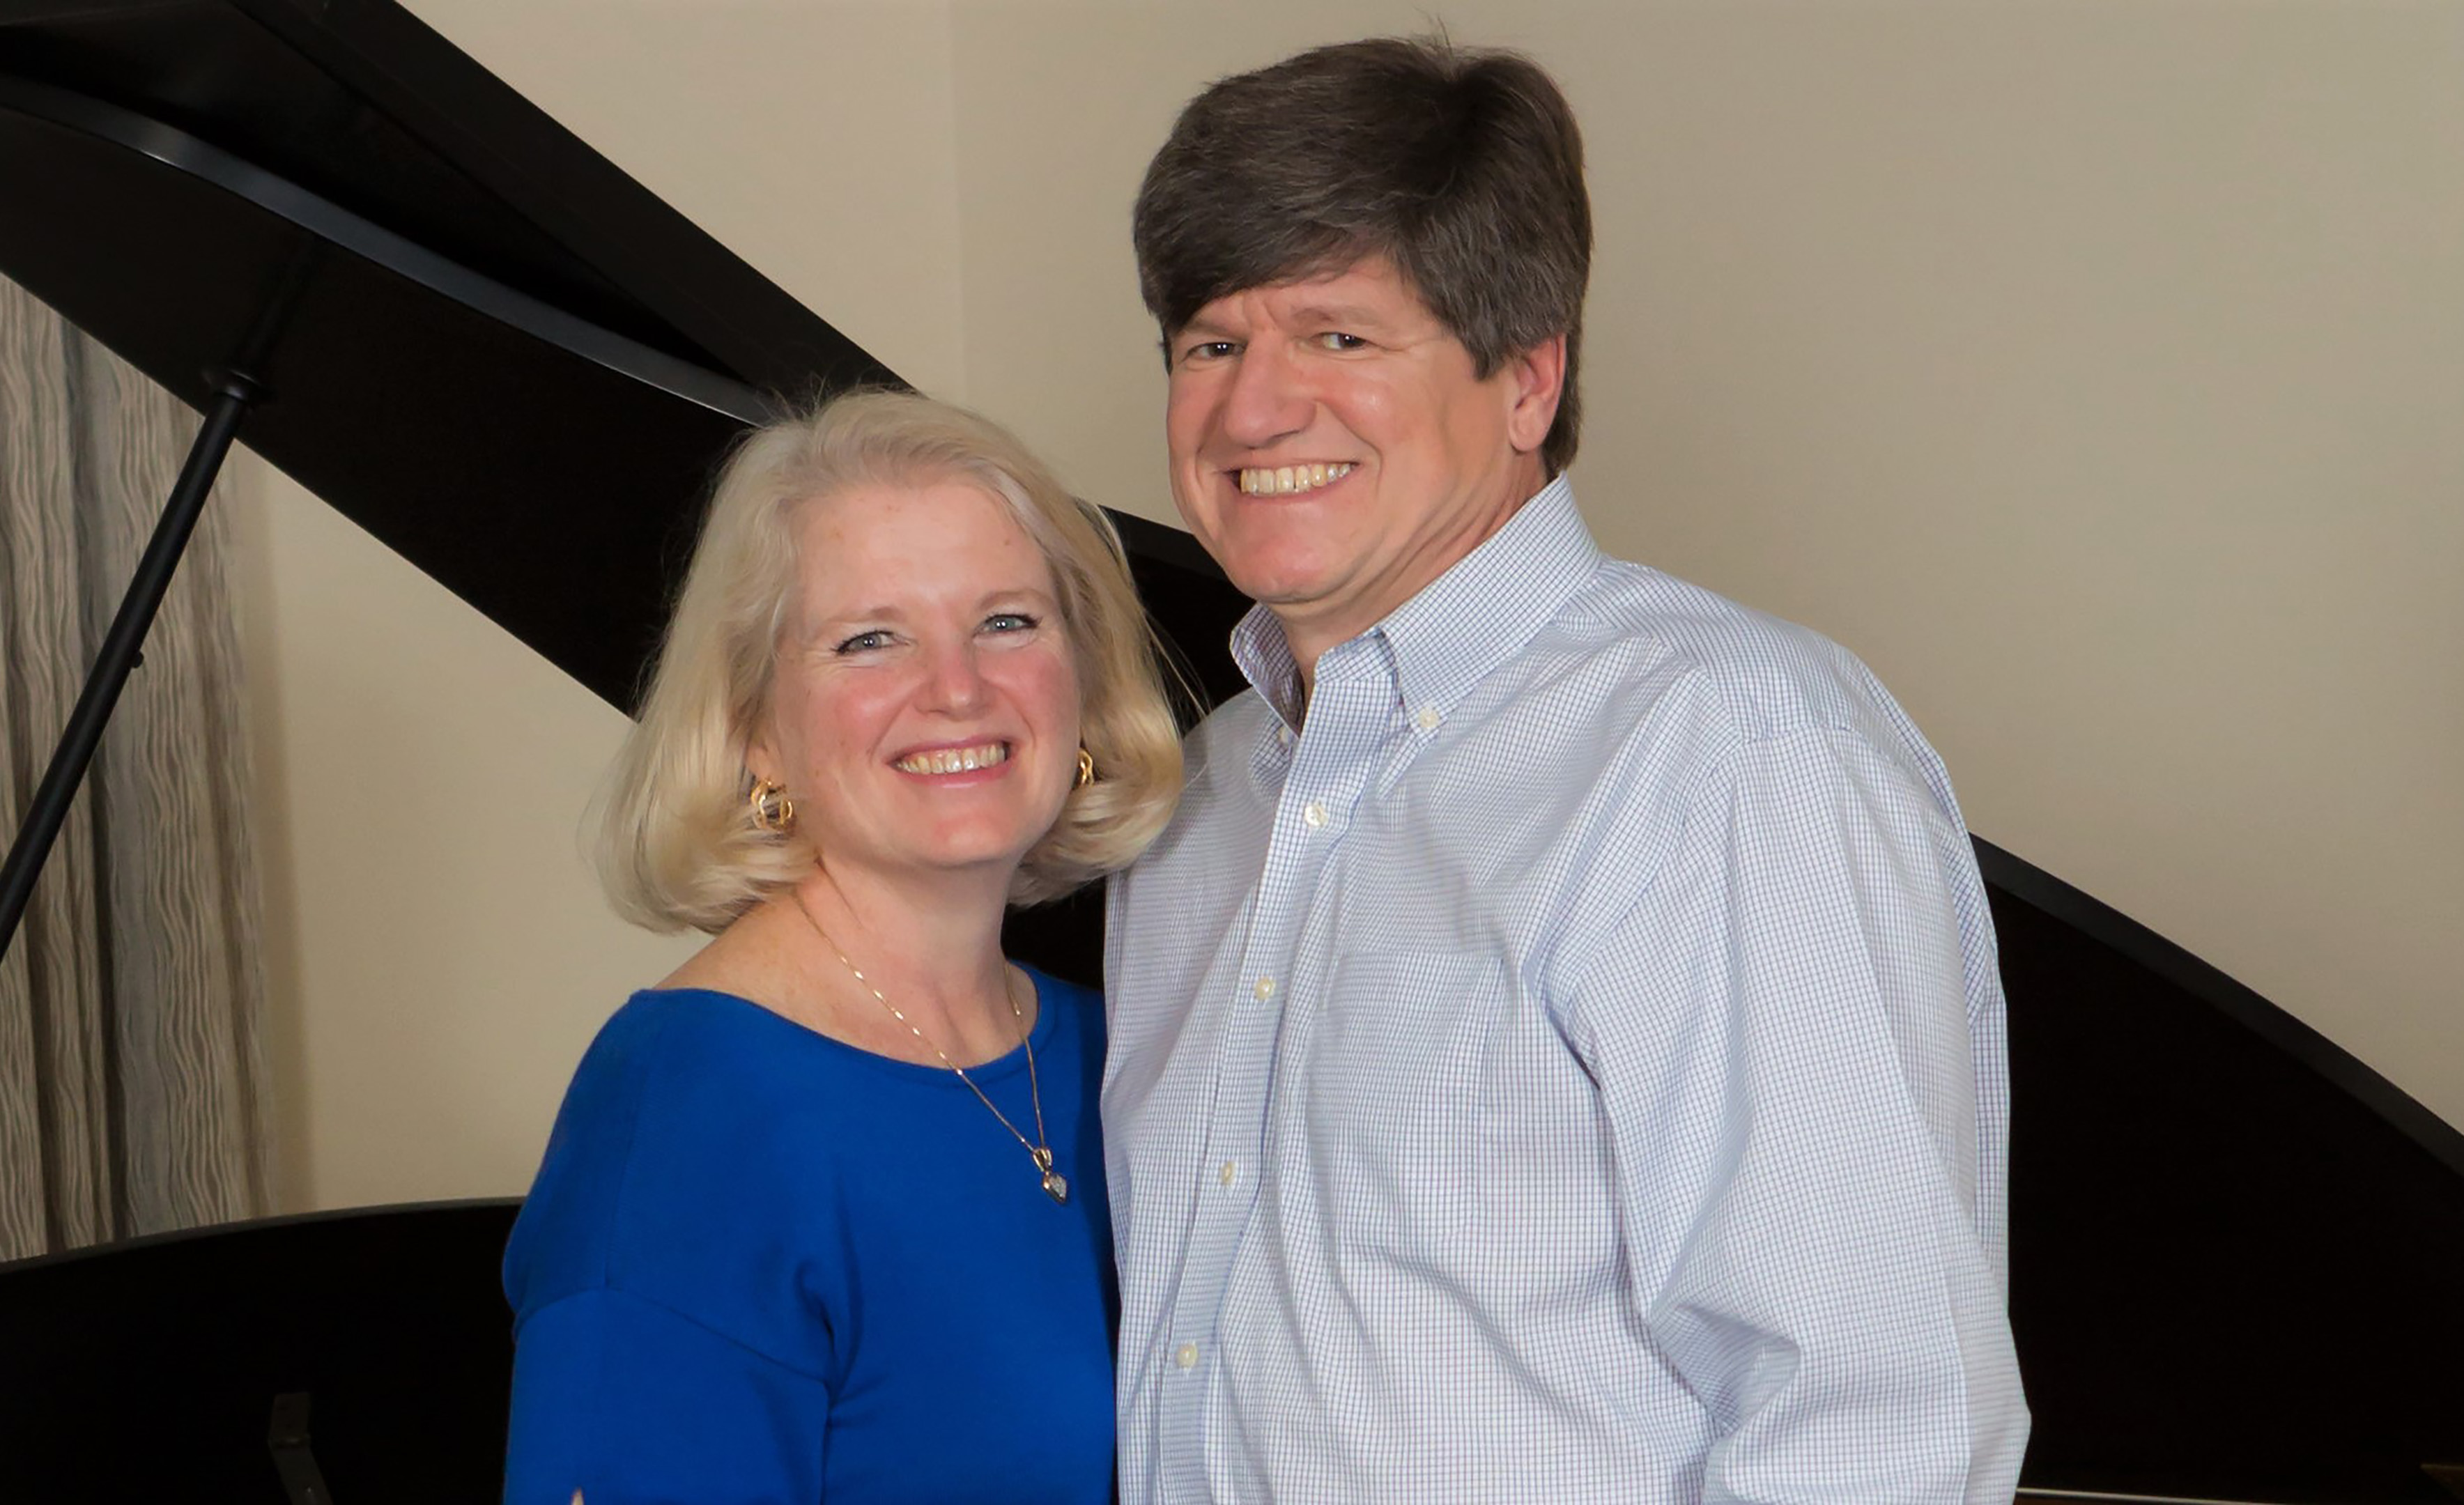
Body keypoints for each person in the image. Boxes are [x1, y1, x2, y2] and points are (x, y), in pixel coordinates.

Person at [1104, 36, 2028, 1502]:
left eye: (1339, 337)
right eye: (1211, 342)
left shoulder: (1727, 755)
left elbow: (1872, 1429)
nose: (1252, 409)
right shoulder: (1192, 811)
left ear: (1526, 380)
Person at [500, 390, 1183, 1504]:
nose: (957, 689)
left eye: (1007, 621)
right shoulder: (687, 1107)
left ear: (1087, 676)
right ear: (757, 729)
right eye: (870, 639)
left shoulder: (1123, 1041)